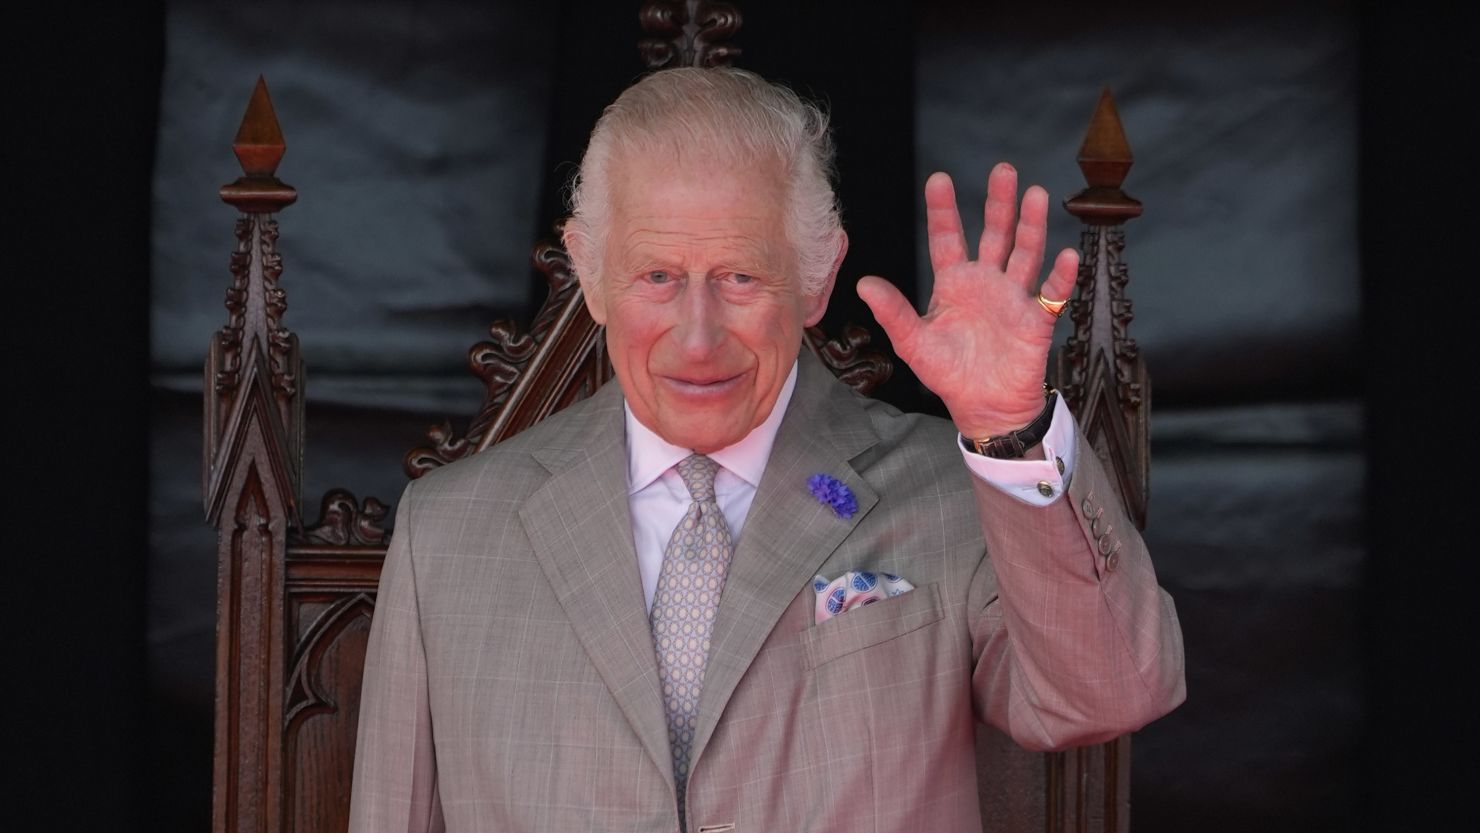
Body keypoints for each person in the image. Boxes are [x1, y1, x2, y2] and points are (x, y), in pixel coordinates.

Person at [348, 67, 1184, 833]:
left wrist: (1011, 426)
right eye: (657, 278)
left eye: (741, 277)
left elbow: (1108, 692)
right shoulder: (447, 536)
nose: (699, 335)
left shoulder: (960, 492)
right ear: (590, 275)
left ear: (817, 278)